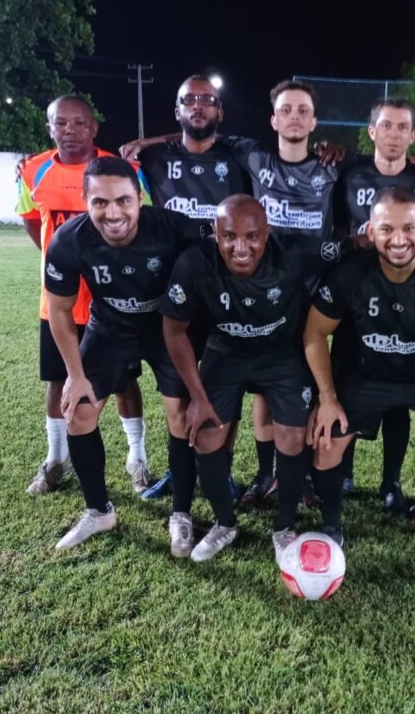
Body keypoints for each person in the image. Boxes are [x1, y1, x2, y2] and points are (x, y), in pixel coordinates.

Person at [304, 188, 415, 584]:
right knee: (326, 441)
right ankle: (331, 526)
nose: (399, 239)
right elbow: (314, 334)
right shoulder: (351, 272)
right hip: (367, 374)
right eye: (387, 229)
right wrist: (328, 398)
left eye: (409, 228)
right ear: (370, 232)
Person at [161, 195, 317, 562]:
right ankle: (225, 523)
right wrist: (198, 397)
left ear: (267, 233)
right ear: (215, 233)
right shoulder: (194, 262)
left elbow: (352, 248)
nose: (240, 248)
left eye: (252, 237)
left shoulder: (295, 252)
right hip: (225, 352)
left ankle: (283, 528)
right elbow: (174, 331)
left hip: (281, 355)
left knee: (293, 437)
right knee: (205, 435)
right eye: (229, 237)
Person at [43, 156, 186, 549]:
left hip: (166, 330)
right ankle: (99, 511)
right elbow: (59, 311)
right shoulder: (69, 240)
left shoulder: (171, 227)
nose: (113, 213)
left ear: (139, 198)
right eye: (100, 202)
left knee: (181, 417)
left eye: (123, 200)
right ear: (86, 203)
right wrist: (75, 375)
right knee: (79, 412)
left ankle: (181, 513)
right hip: (109, 328)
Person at [17, 95, 152, 496]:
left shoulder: (121, 169)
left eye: (79, 123)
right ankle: (56, 459)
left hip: (113, 301)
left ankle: (137, 457)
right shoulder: (33, 170)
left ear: (94, 127)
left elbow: (140, 221)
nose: (70, 131)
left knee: (124, 381)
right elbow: (33, 224)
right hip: (59, 302)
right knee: (58, 379)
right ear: (50, 128)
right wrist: (62, 263)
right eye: (61, 123)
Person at [132, 74, 254, 503]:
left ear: (220, 111)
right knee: (178, 390)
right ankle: (178, 470)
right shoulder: (152, 158)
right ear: (177, 110)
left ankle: (222, 470)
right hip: (174, 291)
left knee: (226, 387)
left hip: (227, 290)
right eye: (189, 100)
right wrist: (147, 142)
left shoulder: (239, 158)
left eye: (207, 100)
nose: (198, 106)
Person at [333, 97, 415, 517]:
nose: (393, 134)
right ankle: (342, 473)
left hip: (407, 300)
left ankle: (391, 482)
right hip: (356, 297)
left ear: (413, 135)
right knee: (346, 382)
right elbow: (338, 229)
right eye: (386, 125)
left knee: (398, 392)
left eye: (402, 127)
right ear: (372, 131)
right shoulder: (349, 174)